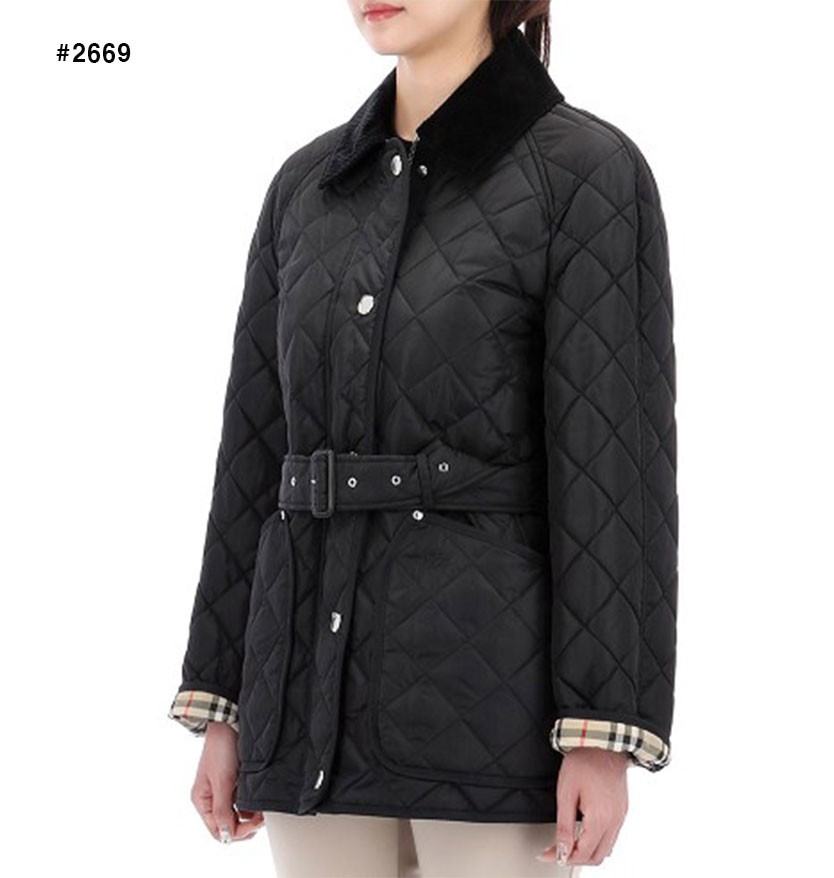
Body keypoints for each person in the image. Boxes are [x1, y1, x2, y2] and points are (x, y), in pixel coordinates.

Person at [167, 1, 679, 875]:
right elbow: (253, 457)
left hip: (493, 713)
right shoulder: (306, 188)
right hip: (303, 703)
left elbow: (613, 476)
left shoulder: (586, 175)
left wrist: (602, 730)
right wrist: (225, 701)